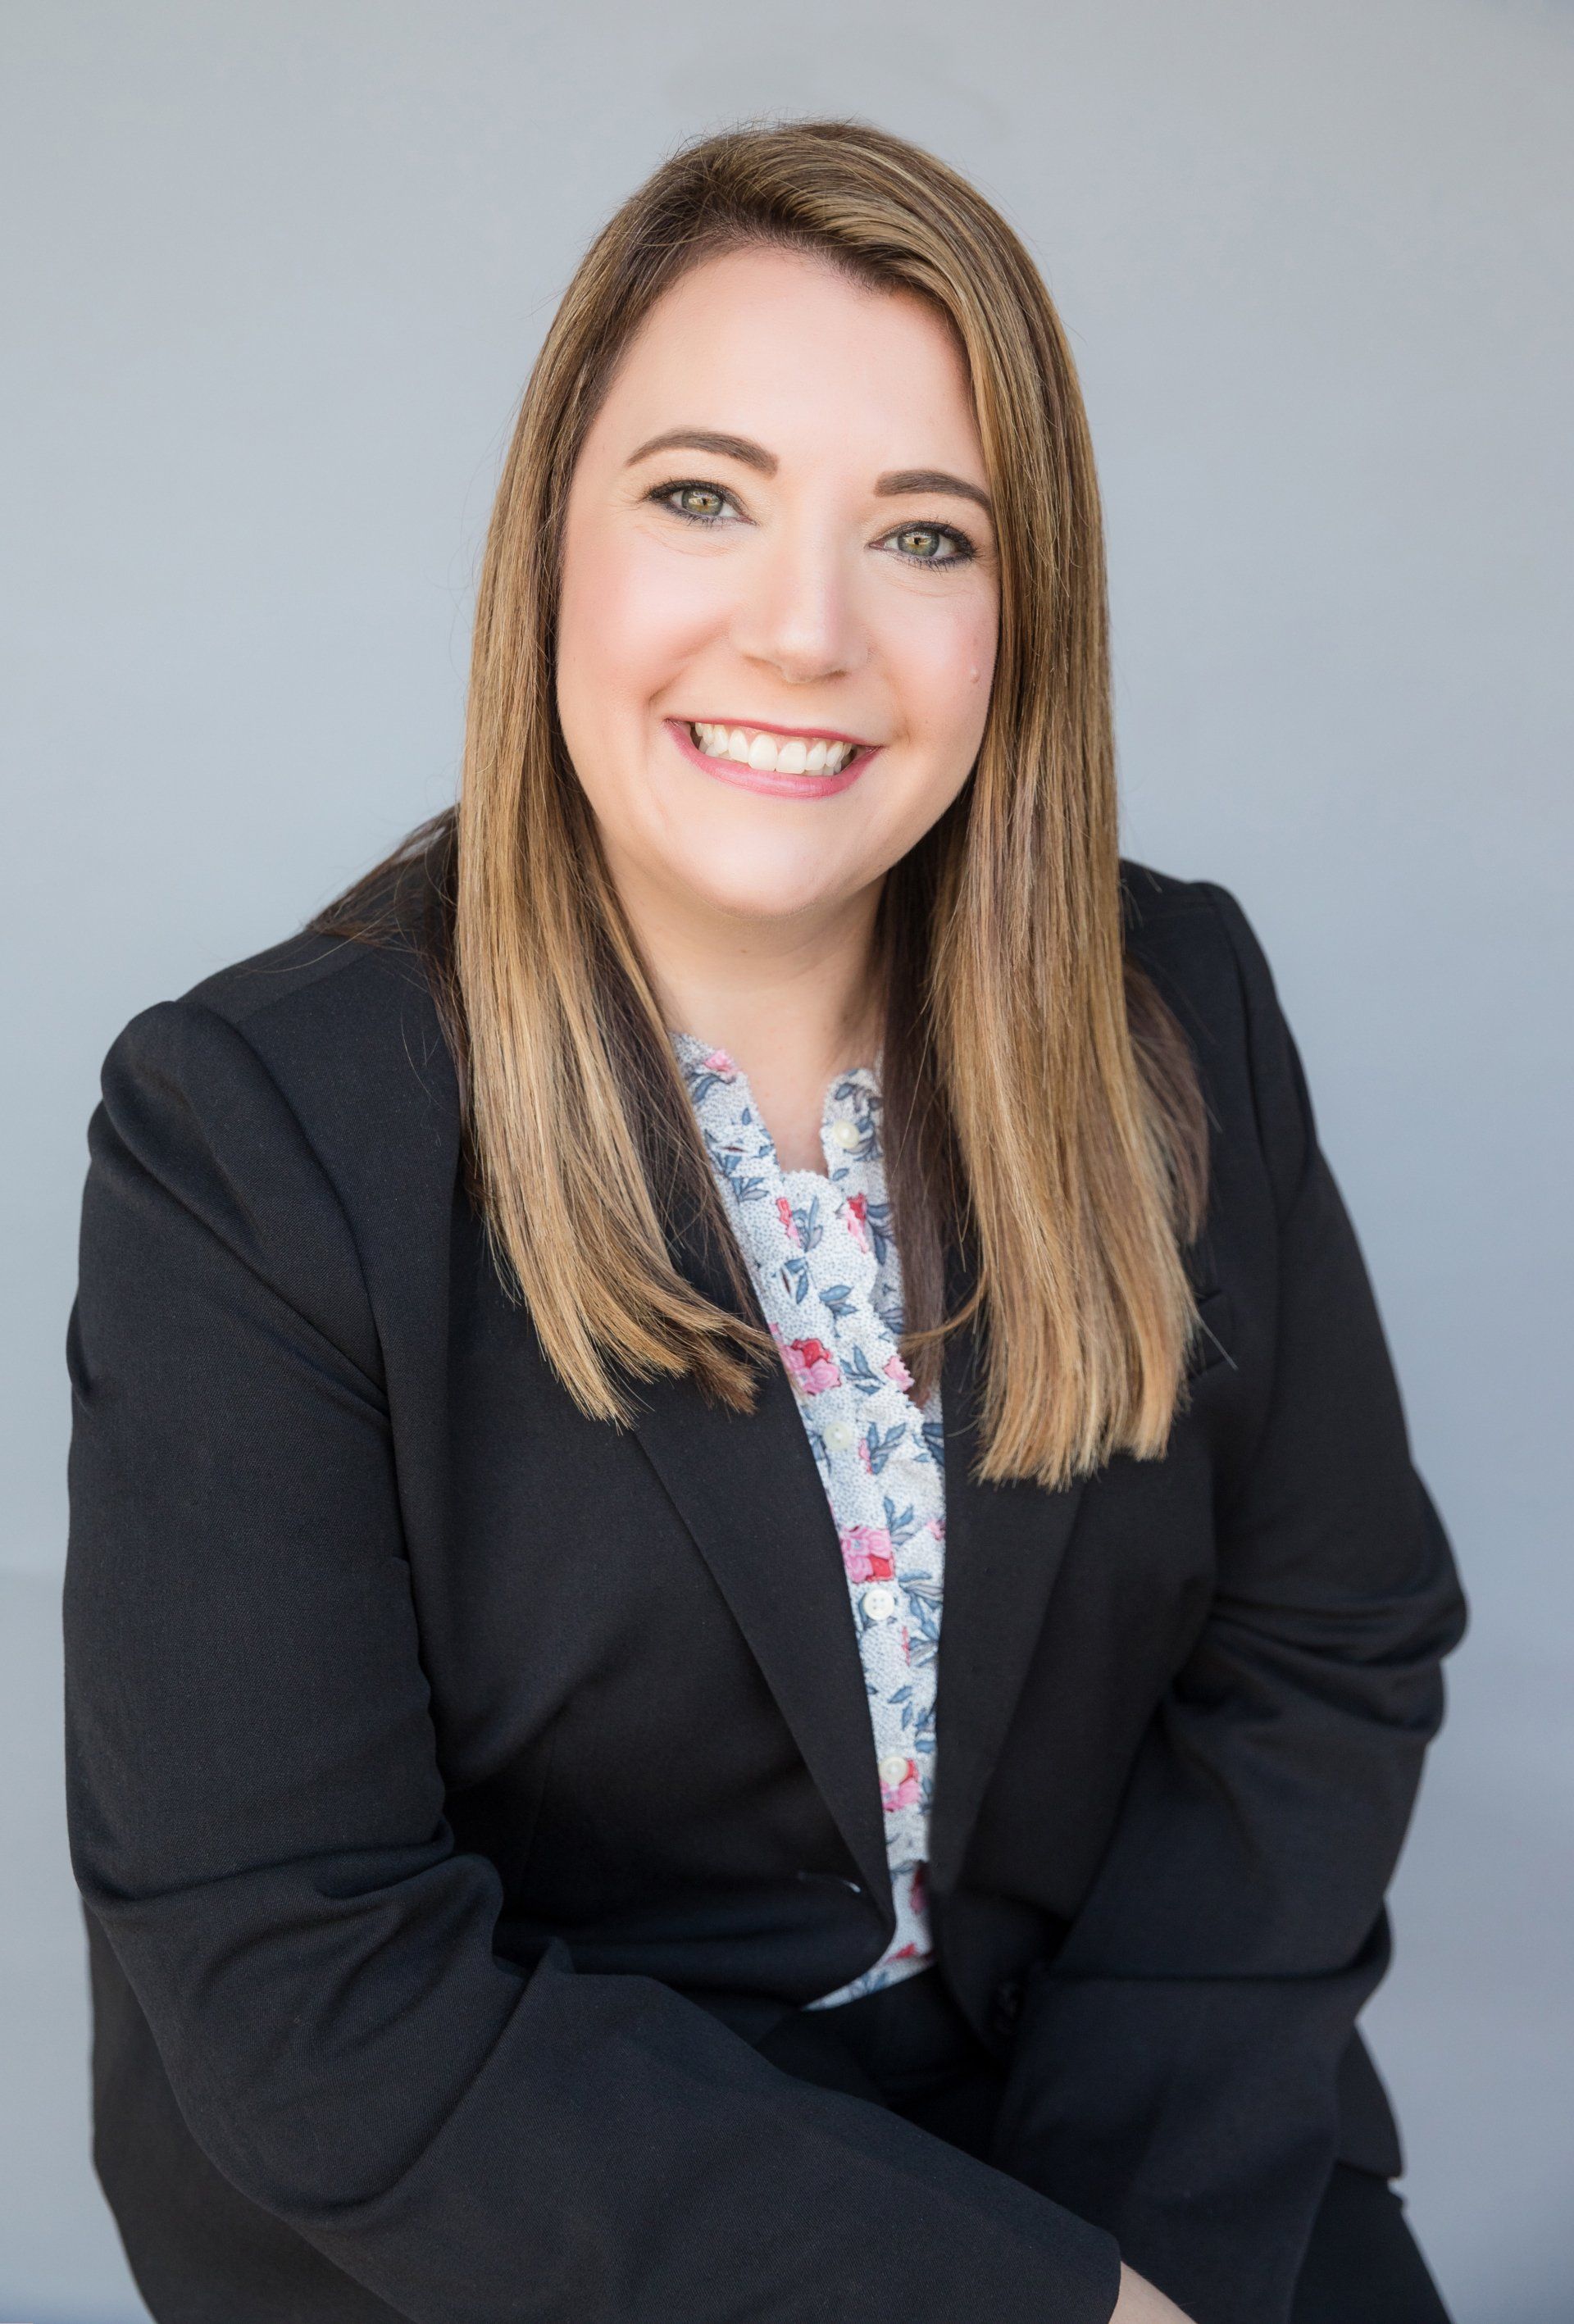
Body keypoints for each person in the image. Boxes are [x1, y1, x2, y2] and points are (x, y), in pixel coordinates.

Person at [62, 118, 1466, 2324]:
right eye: (703, 496)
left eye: (923, 534)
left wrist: (1128, 2258)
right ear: (553, 542)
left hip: (1119, 2121)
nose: (806, 632)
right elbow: (307, 1974)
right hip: (545, 2219)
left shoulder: (1179, 1008)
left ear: (1021, 617)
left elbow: (1324, 1650)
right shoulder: (254, 1132)